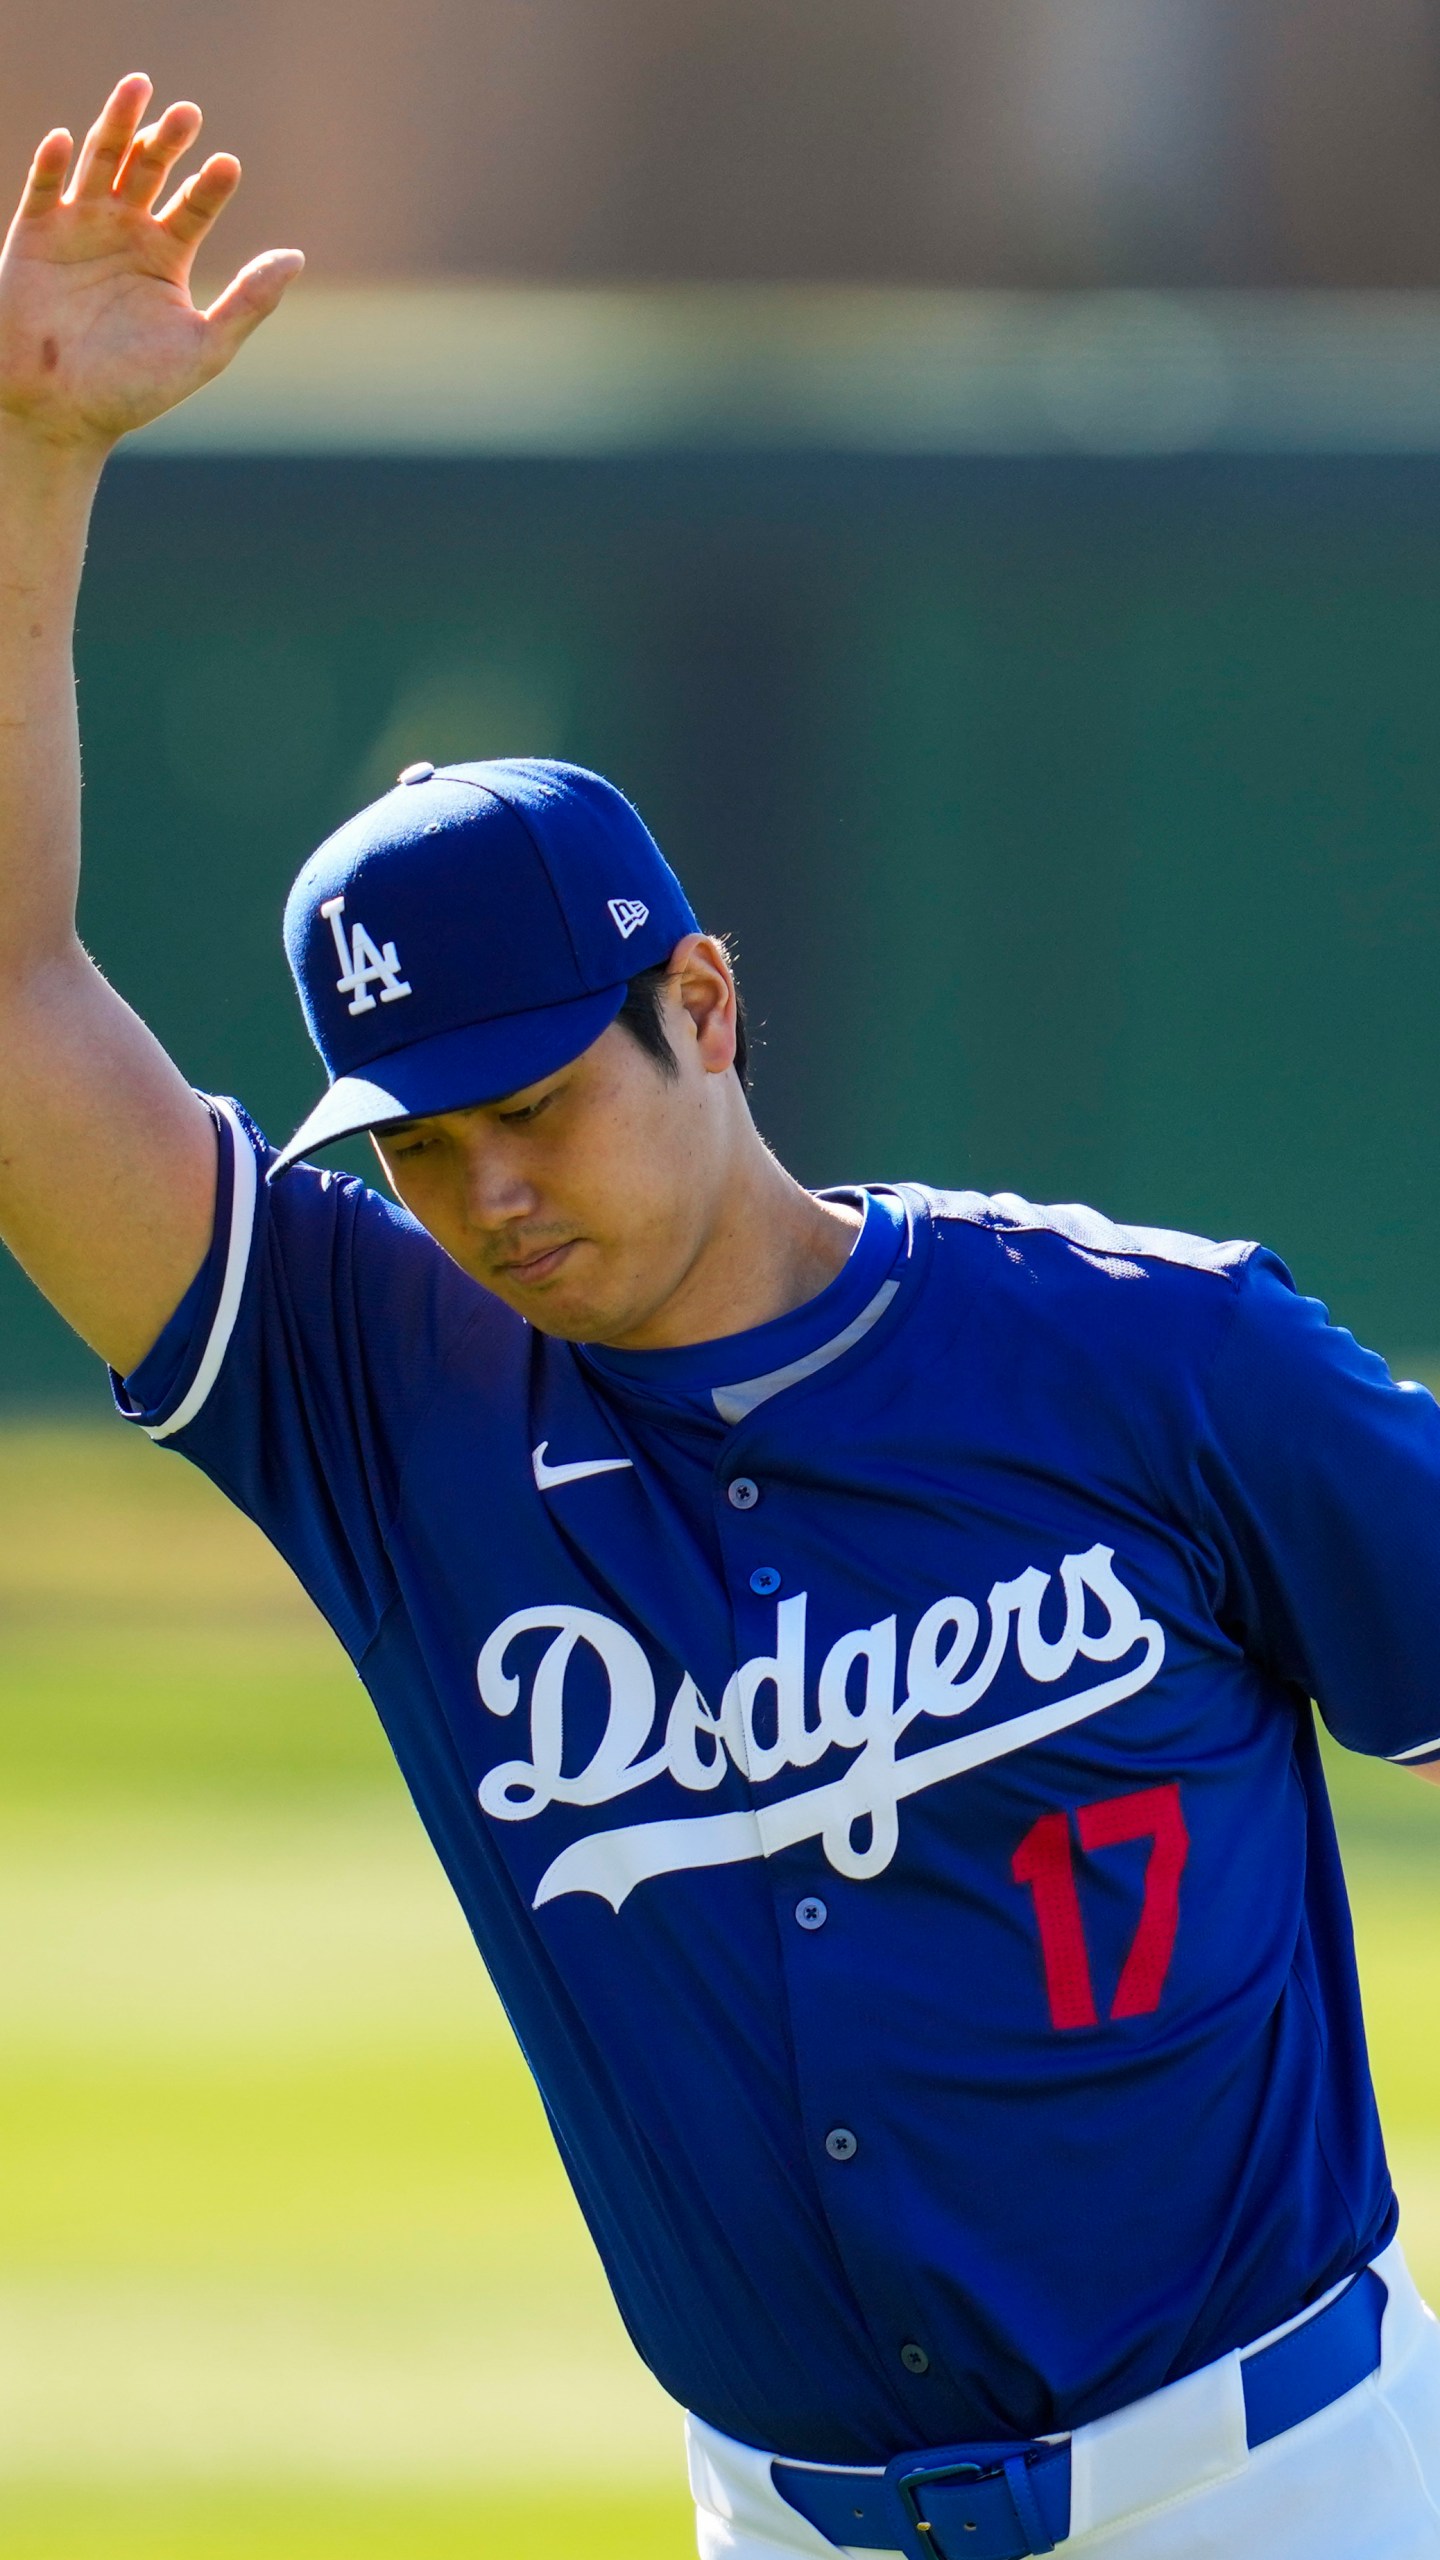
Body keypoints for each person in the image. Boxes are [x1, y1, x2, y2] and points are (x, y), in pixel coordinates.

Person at [3, 73, 1440, 2560]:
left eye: (534, 1104)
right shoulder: (388, 1395)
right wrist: (34, 474)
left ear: (703, 998)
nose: (483, 1194)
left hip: (1284, 2485)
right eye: (419, 1146)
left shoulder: (1152, 1352)